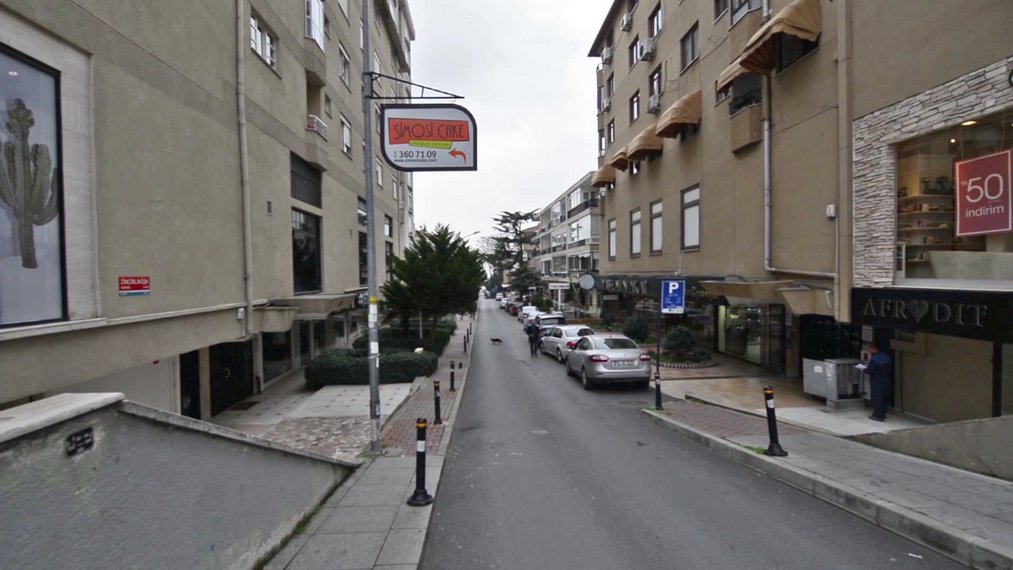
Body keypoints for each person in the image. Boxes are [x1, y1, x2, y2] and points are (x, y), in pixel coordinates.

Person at [862, 343, 893, 421]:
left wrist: (863, 369)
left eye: (869, 349)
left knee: (877, 398)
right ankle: (883, 412)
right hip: (887, 380)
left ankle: (878, 415)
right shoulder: (886, 356)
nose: (868, 350)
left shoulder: (875, 359)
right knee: (884, 397)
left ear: (874, 349)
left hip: (877, 381)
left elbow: (870, 370)